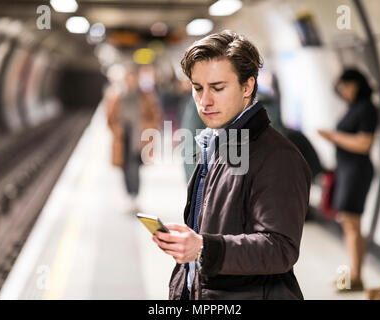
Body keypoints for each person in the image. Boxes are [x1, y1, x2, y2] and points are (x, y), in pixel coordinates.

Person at [152, 30, 311, 300]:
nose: (205, 102)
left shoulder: (277, 156)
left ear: (247, 87)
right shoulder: (216, 145)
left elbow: (280, 248)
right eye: (197, 88)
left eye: (218, 88)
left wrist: (203, 248)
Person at [318, 68, 379, 291]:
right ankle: (354, 273)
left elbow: (364, 143)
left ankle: (355, 275)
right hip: (347, 170)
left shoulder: (367, 109)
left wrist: (332, 136)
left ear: (356, 84)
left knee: (352, 223)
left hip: (357, 171)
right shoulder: (354, 107)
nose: (343, 90)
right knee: (350, 223)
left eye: (346, 85)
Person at [105, 65, 162, 213]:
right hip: (123, 140)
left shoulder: (145, 96)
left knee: (134, 169)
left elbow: (155, 116)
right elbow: (110, 119)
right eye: (128, 79)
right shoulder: (117, 97)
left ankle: (134, 197)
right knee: (125, 169)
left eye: (133, 79)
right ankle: (130, 197)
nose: (130, 82)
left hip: (139, 141)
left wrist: (147, 129)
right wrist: (118, 130)